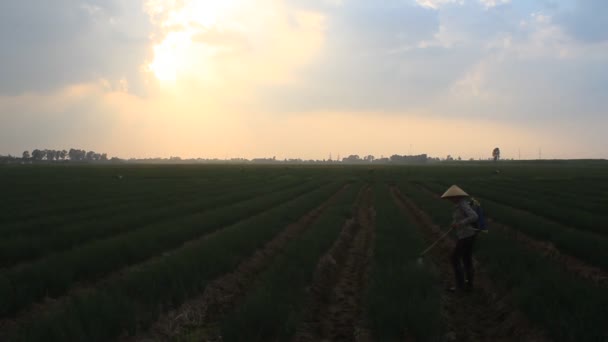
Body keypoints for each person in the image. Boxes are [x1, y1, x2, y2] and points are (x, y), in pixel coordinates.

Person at [441, 185, 479, 292]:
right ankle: (469, 285)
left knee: (454, 259)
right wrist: (455, 224)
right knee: (466, 259)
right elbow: (460, 218)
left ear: (456, 196)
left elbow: (474, 216)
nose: (450, 200)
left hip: (467, 236)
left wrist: (460, 224)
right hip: (466, 235)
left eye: (451, 198)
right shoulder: (459, 205)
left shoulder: (463, 204)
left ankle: (460, 286)